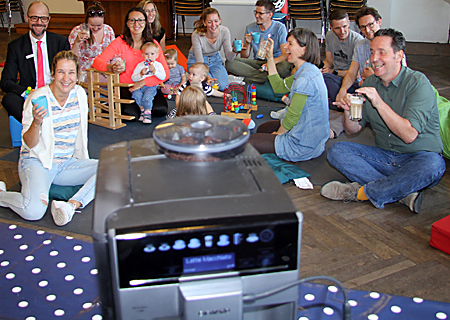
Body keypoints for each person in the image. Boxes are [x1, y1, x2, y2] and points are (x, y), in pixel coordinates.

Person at [320, 29, 446, 214]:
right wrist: (348, 112)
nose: (373, 58)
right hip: (385, 157)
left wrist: (378, 102)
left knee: (434, 165)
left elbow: (409, 135)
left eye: (381, 52)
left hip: (418, 157)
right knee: (337, 151)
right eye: (372, 51)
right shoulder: (370, 82)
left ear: (399, 56)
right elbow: (353, 129)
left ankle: (361, 192)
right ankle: (401, 191)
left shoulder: (418, 83)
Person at [0, 51, 98, 226]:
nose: (66, 78)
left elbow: (81, 136)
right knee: (33, 211)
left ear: (77, 75)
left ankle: (70, 206)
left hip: (66, 163)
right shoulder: (37, 98)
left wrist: (80, 160)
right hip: (38, 162)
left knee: (111, 169)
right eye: (61, 72)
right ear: (53, 73)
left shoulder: (80, 95)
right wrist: (37, 123)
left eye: (71, 72)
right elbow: (28, 144)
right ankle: (2, 195)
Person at [249, 28, 330, 162]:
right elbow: (278, 87)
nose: (285, 47)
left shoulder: (305, 78)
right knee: (263, 128)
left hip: (304, 144)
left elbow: (292, 116)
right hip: (309, 134)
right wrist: (270, 57)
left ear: (303, 49)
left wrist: (278, 134)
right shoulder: (308, 69)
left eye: (290, 44)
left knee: (251, 141)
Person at [92, 7, 169, 119]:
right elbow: (97, 62)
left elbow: (166, 73)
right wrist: (110, 68)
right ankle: (116, 105)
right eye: (132, 20)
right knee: (131, 114)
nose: (136, 24)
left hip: (149, 86)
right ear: (127, 23)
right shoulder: (119, 42)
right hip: (126, 86)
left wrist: (143, 82)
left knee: (160, 110)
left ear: (145, 23)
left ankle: (140, 108)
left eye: (140, 20)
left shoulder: (153, 44)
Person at [0, 1, 70, 123]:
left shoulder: (60, 42)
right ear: (27, 18)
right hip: (30, 96)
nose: (39, 23)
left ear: (49, 20)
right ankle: (37, 124)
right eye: (34, 18)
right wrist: (26, 92)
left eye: (43, 19)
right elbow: (6, 82)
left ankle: (42, 124)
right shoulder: (16, 46)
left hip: (55, 93)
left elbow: (68, 73)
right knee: (8, 99)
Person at [225, 0, 291, 85]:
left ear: (270, 15)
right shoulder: (250, 28)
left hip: (275, 63)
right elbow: (244, 56)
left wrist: (270, 63)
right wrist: (247, 43)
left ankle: (246, 80)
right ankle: (264, 77)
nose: (256, 15)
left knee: (285, 67)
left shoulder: (280, 28)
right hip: (257, 63)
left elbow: (285, 55)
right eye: (255, 12)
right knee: (229, 62)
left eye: (260, 13)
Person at [334, 7, 382, 105]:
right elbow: (352, 72)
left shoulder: (390, 43)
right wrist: (343, 90)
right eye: (363, 27)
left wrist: (373, 77)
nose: (367, 30)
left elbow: (398, 79)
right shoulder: (360, 45)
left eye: (371, 25)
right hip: (363, 88)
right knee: (329, 80)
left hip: (384, 92)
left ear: (379, 21)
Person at [187, 7, 236, 91]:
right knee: (204, 86)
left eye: (216, 21)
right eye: (209, 22)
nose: (213, 25)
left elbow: (230, 57)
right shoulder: (196, 35)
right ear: (204, 23)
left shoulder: (225, 31)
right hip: (197, 60)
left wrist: (235, 50)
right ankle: (191, 76)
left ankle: (194, 76)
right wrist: (208, 77)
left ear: (220, 20)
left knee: (223, 86)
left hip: (214, 58)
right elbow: (200, 61)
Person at [321, 9, 363, 103]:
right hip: (336, 78)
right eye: (337, 28)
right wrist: (321, 68)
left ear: (349, 23)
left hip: (352, 81)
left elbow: (356, 74)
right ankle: (342, 101)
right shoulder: (329, 35)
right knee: (322, 77)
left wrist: (333, 72)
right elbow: (328, 60)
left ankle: (339, 102)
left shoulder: (357, 41)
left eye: (344, 26)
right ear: (331, 27)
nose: (342, 31)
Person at [68, 2, 115, 83]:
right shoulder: (77, 31)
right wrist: (77, 41)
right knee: (102, 81)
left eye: (99, 26)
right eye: (92, 25)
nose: (96, 28)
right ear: (87, 22)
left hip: (105, 71)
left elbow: (113, 55)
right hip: (87, 72)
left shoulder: (108, 30)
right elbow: (72, 58)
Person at [130, 42, 166, 124]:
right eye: (146, 54)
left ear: (156, 55)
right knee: (136, 95)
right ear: (142, 55)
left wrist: (155, 71)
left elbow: (163, 77)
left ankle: (147, 112)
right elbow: (133, 78)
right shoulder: (140, 65)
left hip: (151, 86)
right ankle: (142, 109)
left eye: (152, 54)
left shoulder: (158, 65)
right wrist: (140, 74)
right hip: (139, 87)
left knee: (147, 97)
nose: (149, 56)